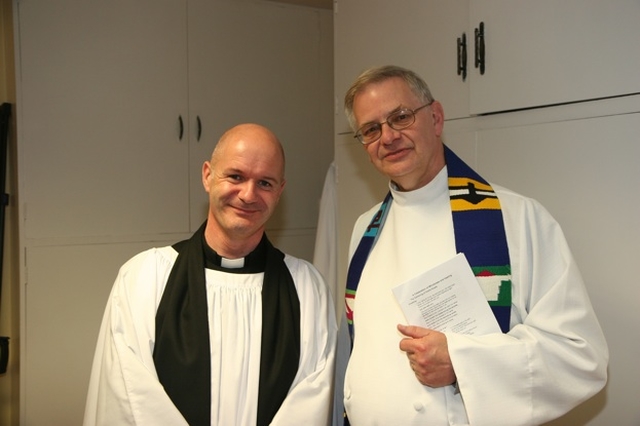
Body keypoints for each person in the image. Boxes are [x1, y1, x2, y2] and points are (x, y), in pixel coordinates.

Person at [339, 65, 608, 426]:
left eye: (400, 117)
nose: (388, 137)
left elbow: (580, 358)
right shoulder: (365, 228)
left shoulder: (518, 218)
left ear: (435, 118)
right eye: (371, 129)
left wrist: (462, 361)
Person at [84, 123, 337, 426]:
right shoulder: (145, 277)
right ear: (207, 175)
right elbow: (128, 396)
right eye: (236, 176)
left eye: (265, 183)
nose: (248, 194)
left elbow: (311, 402)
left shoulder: (306, 288)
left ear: (280, 191)